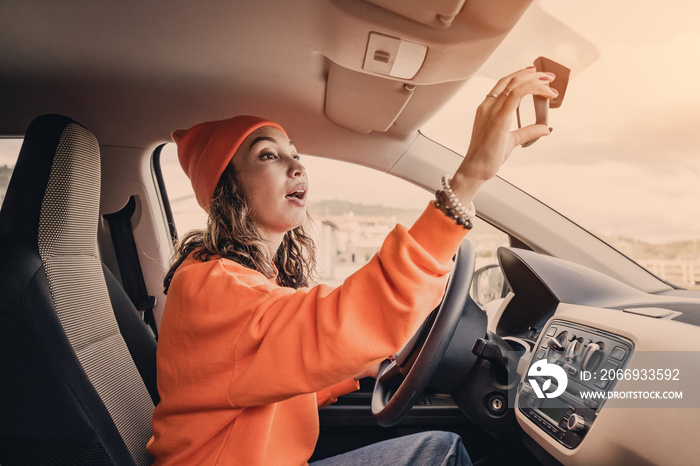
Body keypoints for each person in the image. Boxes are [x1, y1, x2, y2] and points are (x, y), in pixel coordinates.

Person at [146, 67, 558, 465]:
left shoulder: (247, 279)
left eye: (295, 154)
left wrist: (380, 359)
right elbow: (338, 326)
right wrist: (468, 179)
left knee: (437, 448)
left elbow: (287, 366)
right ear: (226, 188)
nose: (297, 166)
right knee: (440, 452)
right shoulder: (213, 287)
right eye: (268, 155)